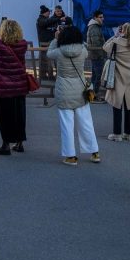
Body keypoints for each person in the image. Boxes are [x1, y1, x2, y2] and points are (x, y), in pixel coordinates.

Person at [49, 25, 100, 165]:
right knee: (86, 123)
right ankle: (94, 152)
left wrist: (56, 39)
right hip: (80, 91)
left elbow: (49, 53)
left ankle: (70, 156)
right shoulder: (83, 51)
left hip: (64, 91)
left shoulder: (59, 52)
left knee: (67, 125)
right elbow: (84, 45)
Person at [0, 18, 31, 155]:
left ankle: (5, 145)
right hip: (20, 86)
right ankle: (19, 143)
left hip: (5, 88)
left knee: (4, 116)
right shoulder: (23, 44)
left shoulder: (0, 45)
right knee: (19, 115)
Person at [104, 22, 130, 141]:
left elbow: (105, 47)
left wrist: (115, 36)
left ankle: (117, 134)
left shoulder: (116, 42)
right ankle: (129, 134)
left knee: (117, 105)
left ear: (122, 30)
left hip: (118, 76)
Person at [86, 9, 107, 96]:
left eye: (103, 17)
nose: (102, 19)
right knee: (98, 76)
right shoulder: (94, 28)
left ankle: (91, 96)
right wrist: (101, 54)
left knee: (95, 76)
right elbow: (96, 44)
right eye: (100, 17)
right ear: (95, 18)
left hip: (95, 55)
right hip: (97, 55)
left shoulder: (95, 26)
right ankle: (94, 95)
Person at [36, 6, 56, 80]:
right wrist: (55, 18)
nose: (49, 14)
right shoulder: (41, 20)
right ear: (46, 12)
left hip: (47, 42)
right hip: (44, 42)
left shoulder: (45, 20)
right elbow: (45, 23)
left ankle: (45, 75)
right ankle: (47, 75)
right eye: (49, 12)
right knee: (46, 59)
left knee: (46, 59)